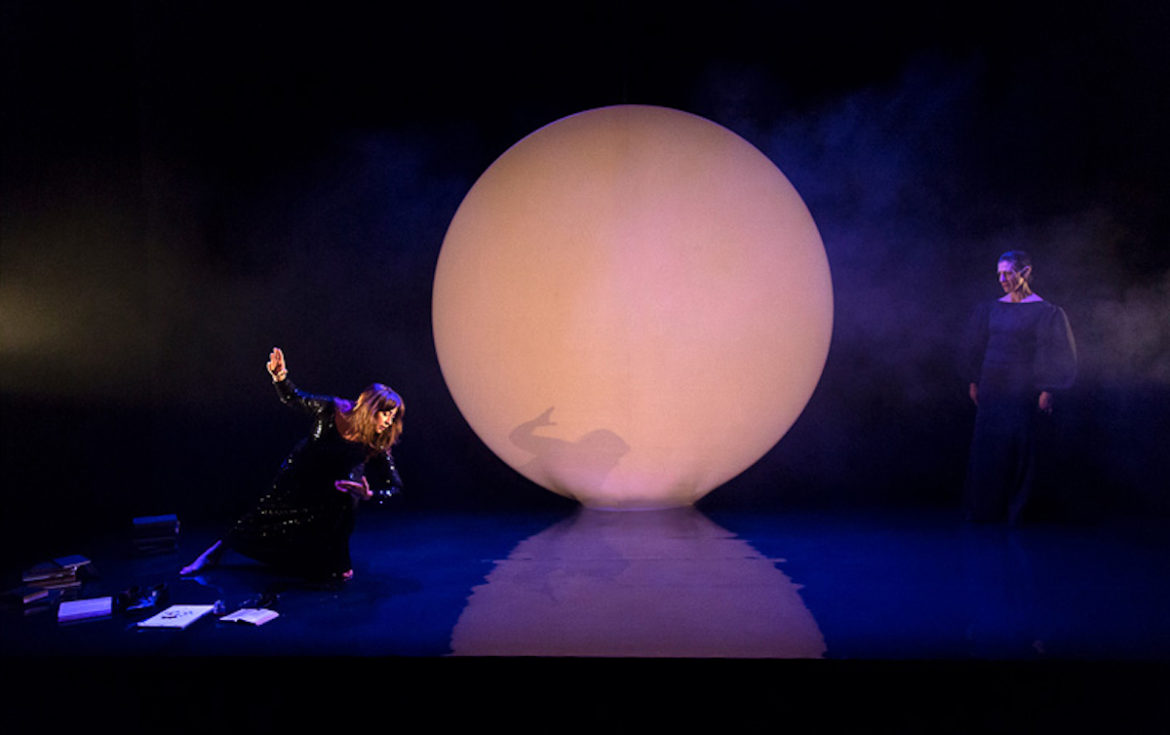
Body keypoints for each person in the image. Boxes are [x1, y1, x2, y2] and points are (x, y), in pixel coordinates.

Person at [181, 347, 404, 581]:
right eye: (386, 414)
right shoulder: (331, 409)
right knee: (263, 517)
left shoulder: (378, 440)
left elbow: (395, 486)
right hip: (301, 473)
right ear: (370, 408)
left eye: (393, 416)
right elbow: (295, 397)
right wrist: (280, 378)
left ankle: (334, 558)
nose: (389, 422)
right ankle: (213, 553)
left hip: (336, 487)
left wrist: (369, 495)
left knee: (340, 517)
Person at [961, 251, 1076, 524]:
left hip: (1021, 387)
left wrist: (1048, 388)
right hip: (992, 385)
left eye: (1008, 273)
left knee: (1022, 449)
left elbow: (1056, 350)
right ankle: (985, 511)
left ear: (1024, 273)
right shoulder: (991, 309)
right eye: (999, 273)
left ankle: (1019, 513)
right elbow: (976, 345)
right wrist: (974, 380)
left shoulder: (1046, 312)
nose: (1002, 279)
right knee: (989, 447)